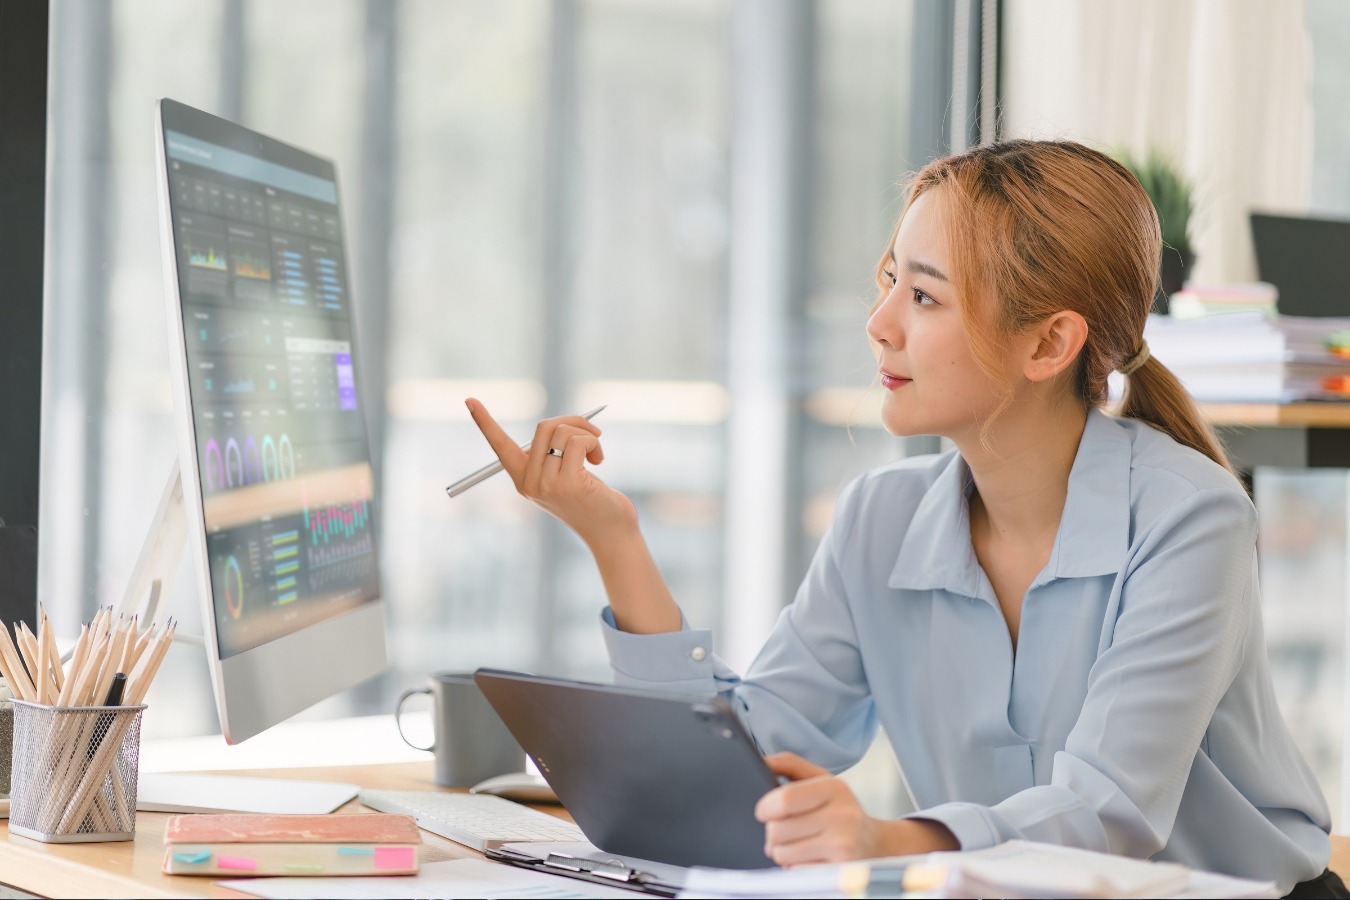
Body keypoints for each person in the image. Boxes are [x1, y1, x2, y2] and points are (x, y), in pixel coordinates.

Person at [467, 139, 1344, 898]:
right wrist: (611, 536)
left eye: (924, 297)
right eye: (891, 281)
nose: (879, 323)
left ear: (1050, 343)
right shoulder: (879, 517)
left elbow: (1106, 811)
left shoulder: (1190, 519)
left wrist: (888, 843)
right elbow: (746, 757)